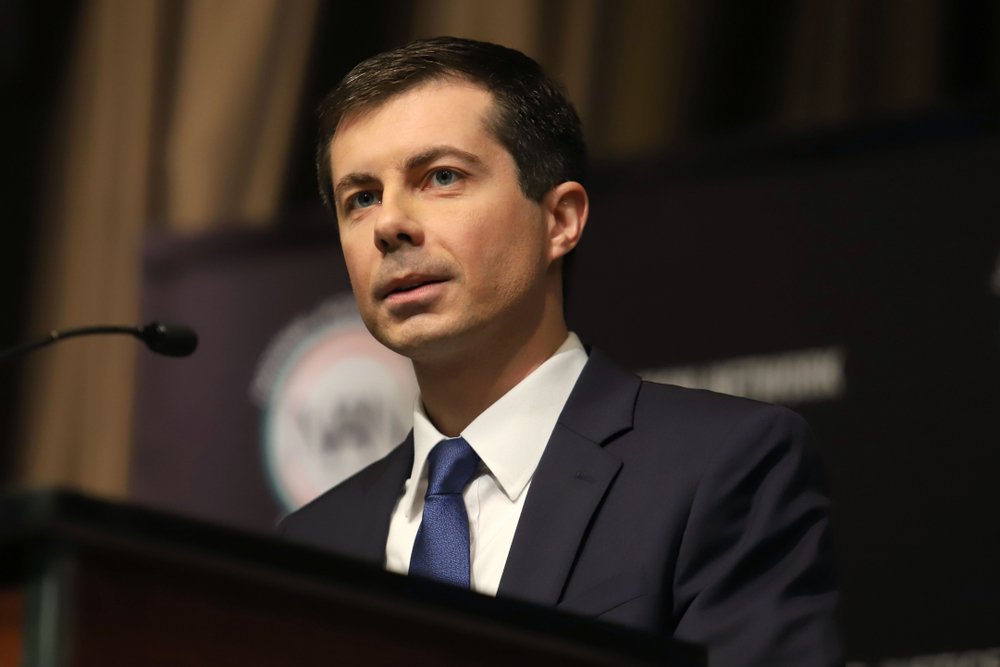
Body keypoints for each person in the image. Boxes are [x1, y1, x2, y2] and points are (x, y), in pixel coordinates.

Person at [280, 36, 842, 666]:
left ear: (560, 220)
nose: (388, 225)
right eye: (362, 198)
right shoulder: (308, 545)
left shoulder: (722, 468)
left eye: (441, 177)